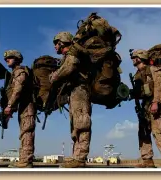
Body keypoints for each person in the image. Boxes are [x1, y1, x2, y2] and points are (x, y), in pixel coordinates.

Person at [49, 32, 92, 168]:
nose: (55, 46)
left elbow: (69, 68)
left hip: (80, 90)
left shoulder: (73, 53)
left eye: (56, 43)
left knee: (82, 122)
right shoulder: (68, 55)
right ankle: (76, 156)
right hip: (74, 92)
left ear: (62, 42)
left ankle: (80, 158)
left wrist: (54, 76)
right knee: (75, 125)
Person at [130, 49, 161, 168]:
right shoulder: (138, 74)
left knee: (159, 131)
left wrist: (156, 102)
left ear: (140, 58)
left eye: (135, 57)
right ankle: (147, 160)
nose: (133, 60)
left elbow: (159, 86)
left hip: (155, 105)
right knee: (143, 133)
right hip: (144, 106)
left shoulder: (154, 70)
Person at [3, 50, 36, 168]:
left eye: (10, 57)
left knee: (27, 133)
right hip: (23, 107)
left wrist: (9, 106)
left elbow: (18, 90)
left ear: (17, 59)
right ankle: (24, 159)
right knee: (24, 133)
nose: (7, 59)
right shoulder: (15, 73)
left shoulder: (20, 72)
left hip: (27, 107)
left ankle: (26, 161)